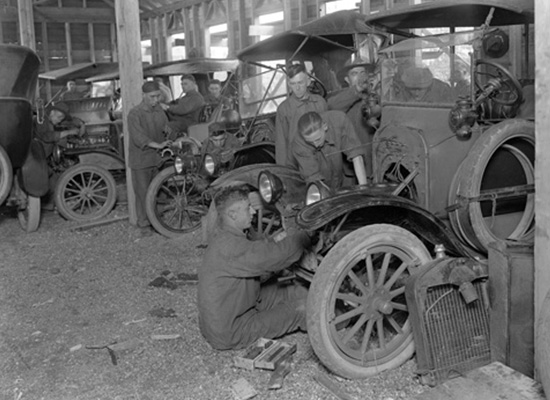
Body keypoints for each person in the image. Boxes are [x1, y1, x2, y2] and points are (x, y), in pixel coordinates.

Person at [198, 185, 310, 350]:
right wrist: (305, 235)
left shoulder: (223, 237)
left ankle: (327, 301)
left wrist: (276, 240)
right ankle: (339, 319)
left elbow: (254, 253)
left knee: (293, 289)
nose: (253, 212)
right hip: (233, 330)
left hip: (238, 307)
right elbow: (274, 258)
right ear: (232, 214)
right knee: (302, 309)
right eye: (247, 208)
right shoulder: (229, 247)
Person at [127, 81, 172, 237]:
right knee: (143, 193)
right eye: (152, 97)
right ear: (144, 95)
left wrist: (169, 134)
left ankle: (157, 222)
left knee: (157, 191)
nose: (155, 100)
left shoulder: (159, 110)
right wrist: (157, 145)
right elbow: (138, 137)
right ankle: (144, 225)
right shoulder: (135, 113)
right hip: (141, 159)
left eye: (158, 96)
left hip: (156, 159)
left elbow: (166, 127)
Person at [290, 110, 368, 190]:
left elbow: (356, 155)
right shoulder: (298, 143)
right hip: (321, 181)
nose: (316, 145)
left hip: (342, 175)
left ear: (325, 127)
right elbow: (313, 178)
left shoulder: (339, 120)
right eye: (310, 142)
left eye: (318, 139)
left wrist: (364, 189)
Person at [327, 59, 376, 177]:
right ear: (347, 80)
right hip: (351, 168)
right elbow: (332, 106)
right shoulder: (342, 98)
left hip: (374, 164)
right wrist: (356, 90)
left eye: (362, 73)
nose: (360, 77)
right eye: (354, 74)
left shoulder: (374, 97)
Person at [275, 63, 327, 166]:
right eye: (293, 83)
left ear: (308, 82)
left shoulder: (320, 102)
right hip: (297, 164)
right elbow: (281, 145)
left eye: (300, 82)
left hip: (321, 160)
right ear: (289, 84)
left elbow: (328, 133)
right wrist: (284, 172)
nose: (297, 88)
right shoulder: (284, 109)